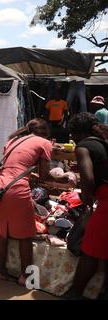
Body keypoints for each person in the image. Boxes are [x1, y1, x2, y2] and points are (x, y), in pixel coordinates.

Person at [0, 119, 71, 286]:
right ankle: (26, 277)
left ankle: (0, 272)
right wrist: (65, 178)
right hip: (16, 190)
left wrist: (30, 175)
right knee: (25, 236)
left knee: (2, 233)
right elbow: (45, 176)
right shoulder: (44, 143)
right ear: (45, 133)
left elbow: (14, 166)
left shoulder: (13, 140)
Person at [67, 113, 108, 299]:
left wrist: (86, 198)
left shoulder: (83, 147)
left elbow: (88, 179)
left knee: (89, 251)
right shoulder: (103, 143)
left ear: (76, 134)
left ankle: (75, 293)